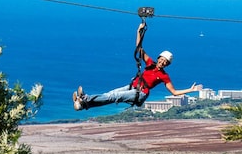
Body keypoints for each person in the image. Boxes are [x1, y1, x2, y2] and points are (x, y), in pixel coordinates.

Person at [73, 22, 202, 111]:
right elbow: (139, 48)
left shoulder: (164, 76)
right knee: (110, 95)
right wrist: (138, 31)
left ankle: (85, 98)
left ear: (167, 65)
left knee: (113, 97)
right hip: (133, 86)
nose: (163, 62)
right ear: (158, 58)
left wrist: (190, 90)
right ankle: (83, 105)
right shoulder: (150, 63)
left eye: (165, 62)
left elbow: (174, 92)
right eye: (162, 60)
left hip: (140, 93)